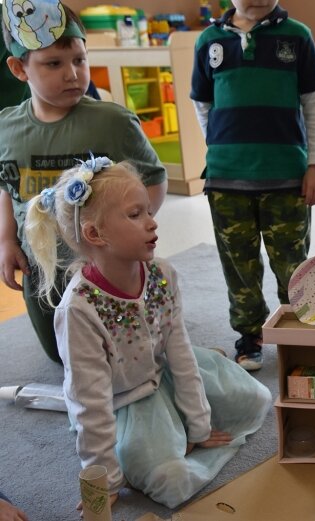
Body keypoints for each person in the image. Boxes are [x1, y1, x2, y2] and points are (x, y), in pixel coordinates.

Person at [24, 158, 272, 509]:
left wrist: (198, 426)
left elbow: (180, 351)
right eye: (135, 214)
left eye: (148, 211)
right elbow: (89, 402)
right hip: (127, 400)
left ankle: (189, 409)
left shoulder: (162, 274)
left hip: (166, 373)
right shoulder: (78, 310)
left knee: (256, 400)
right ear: (96, 234)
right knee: (171, 479)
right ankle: (159, 438)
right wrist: (106, 478)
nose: (152, 222)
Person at [0, 0, 167, 364]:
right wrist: (5, 241)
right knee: (61, 354)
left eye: (79, 59)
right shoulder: (7, 128)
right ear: (18, 68)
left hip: (104, 267)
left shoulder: (112, 122)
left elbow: (153, 179)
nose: (72, 74)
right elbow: (7, 187)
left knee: (123, 352)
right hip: (40, 268)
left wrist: (134, 231)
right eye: (53, 64)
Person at [190, 0, 315, 371]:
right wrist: (222, 146)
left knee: (291, 262)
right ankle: (250, 332)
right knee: (238, 263)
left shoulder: (297, 36)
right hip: (226, 179)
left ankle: (295, 330)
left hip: (286, 177)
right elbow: (203, 103)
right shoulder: (209, 41)